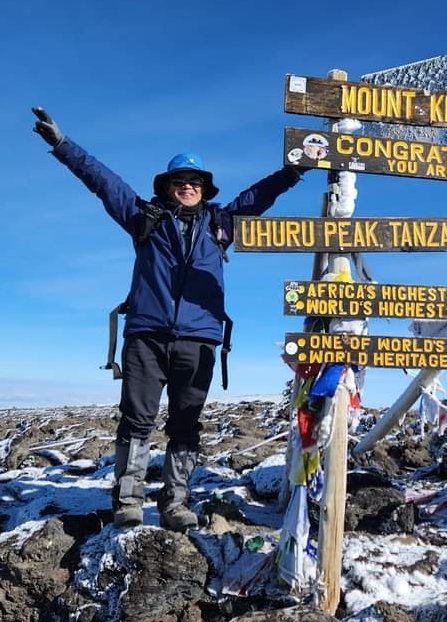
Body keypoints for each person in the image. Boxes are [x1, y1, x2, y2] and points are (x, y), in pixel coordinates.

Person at [32, 106, 308, 531]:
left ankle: (176, 502)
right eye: (180, 181)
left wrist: (293, 172)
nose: (187, 187)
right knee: (137, 419)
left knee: (185, 423)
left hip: (198, 339)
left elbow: (258, 195)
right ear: (168, 186)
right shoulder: (145, 218)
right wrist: (63, 145)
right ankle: (128, 498)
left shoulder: (223, 224)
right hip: (146, 334)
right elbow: (103, 181)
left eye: (195, 182)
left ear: (205, 189)